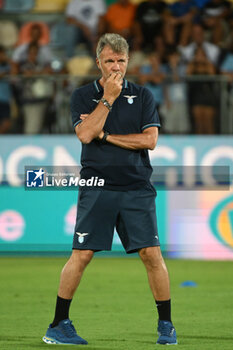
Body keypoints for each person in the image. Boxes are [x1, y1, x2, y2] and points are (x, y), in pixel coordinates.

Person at [42, 33, 177, 346]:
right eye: (109, 61)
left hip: (136, 186)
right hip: (98, 186)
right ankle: (58, 323)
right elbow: (85, 135)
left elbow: (150, 141)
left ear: (128, 61)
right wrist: (108, 100)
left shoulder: (143, 96)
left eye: (121, 61)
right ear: (98, 62)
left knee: (152, 254)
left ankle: (166, 325)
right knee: (82, 254)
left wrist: (108, 136)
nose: (116, 67)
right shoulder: (81, 95)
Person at [187, 46, 217, 134]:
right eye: (198, 54)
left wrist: (204, 61)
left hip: (208, 96)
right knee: (198, 124)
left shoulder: (209, 64)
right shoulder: (192, 65)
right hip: (196, 96)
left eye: (201, 54)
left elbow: (212, 74)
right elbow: (188, 74)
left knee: (209, 124)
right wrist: (195, 62)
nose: (199, 56)